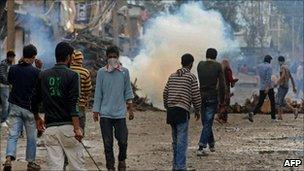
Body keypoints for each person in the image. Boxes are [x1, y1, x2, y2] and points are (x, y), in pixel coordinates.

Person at [30, 42, 85, 170]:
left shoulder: (43, 75)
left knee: (55, 167)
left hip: (50, 130)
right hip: (69, 128)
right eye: (71, 56)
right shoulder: (73, 75)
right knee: (77, 166)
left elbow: (33, 100)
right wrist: (77, 128)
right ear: (68, 57)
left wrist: (37, 118)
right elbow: (74, 104)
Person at [93, 45, 134, 171]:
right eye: (110, 57)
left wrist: (130, 109)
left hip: (120, 114)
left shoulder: (124, 72)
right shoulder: (101, 73)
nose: (112, 59)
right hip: (105, 114)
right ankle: (110, 167)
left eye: (114, 57)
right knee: (107, 144)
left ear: (118, 57)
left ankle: (122, 159)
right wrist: (96, 110)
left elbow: (128, 91)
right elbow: (98, 93)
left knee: (123, 141)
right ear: (106, 58)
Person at [3, 45, 43, 171]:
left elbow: (10, 81)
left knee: (13, 135)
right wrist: (39, 69)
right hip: (29, 109)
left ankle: (9, 159)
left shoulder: (13, 69)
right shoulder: (36, 72)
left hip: (14, 106)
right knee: (31, 137)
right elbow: (40, 88)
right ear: (33, 58)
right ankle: (31, 163)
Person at [163, 53, 201, 170]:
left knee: (175, 140)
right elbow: (196, 95)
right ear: (191, 64)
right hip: (182, 110)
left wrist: (167, 106)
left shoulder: (172, 76)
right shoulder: (191, 77)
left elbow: (165, 93)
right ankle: (180, 167)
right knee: (182, 140)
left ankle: (175, 166)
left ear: (181, 63)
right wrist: (198, 110)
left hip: (171, 111)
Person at [196, 48, 226, 156]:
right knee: (208, 122)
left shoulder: (199, 65)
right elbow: (222, 85)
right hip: (212, 96)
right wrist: (222, 101)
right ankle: (201, 146)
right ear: (215, 56)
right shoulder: (218, 66)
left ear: (206, 55)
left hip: (201, 96)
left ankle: (212, 143)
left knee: (206, 122)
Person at [248, 55, 276, 122]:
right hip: (268, 87)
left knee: (260, 102)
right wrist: (268, 87)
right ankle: (273, 118)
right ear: (269, 60)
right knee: (272, 102)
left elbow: (255, 71)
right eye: (270, 60)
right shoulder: (269, 66)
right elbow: (268, 78)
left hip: (261, 86)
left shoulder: (259, 66)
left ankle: (253, 113)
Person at [70, 50, 92, 134]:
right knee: (80, 129)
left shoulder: (67, 70)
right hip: (80, 105)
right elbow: (88, 90)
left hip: (68, 105)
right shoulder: (85, 72)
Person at [216, 59, 238, 123]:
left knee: (220, 103)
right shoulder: (228, 70)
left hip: (219, 89)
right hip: (226, 88)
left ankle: (221, 118)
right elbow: (230, 79)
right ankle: (221, 117)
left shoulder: (218, 70)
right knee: (226, 104)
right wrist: (234, 81)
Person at [0, 50, 15, 126]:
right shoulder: (3, 64)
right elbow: (2, 75)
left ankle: (5, 118)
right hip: (4, 86)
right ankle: (2, 121)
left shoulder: (11, 64)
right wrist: (9, 83)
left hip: (10, 87)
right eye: (11, 57)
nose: (12, 59)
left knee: (10, 105)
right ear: (8, 57)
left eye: (13, 58)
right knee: (5, 104)